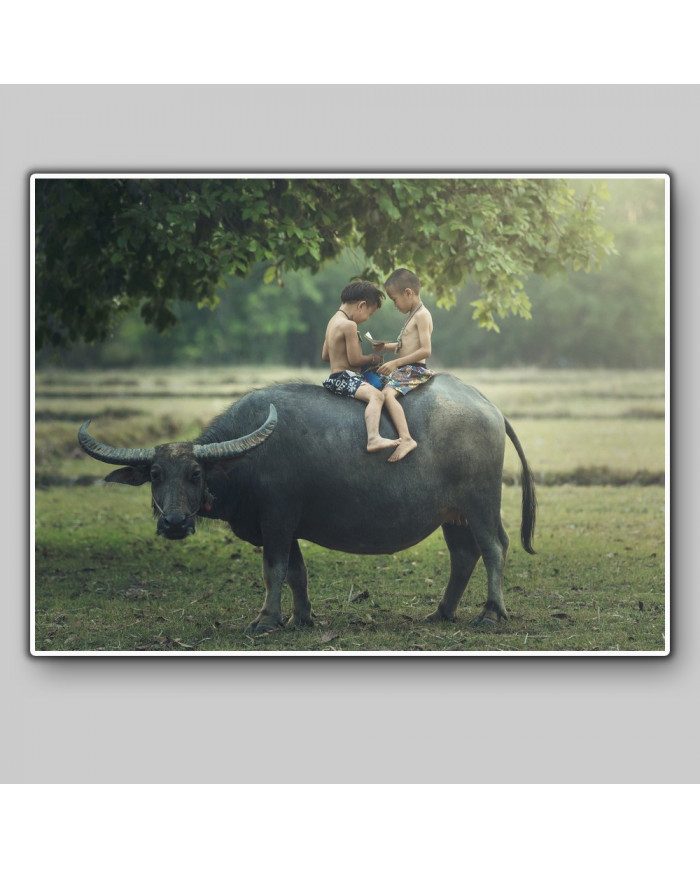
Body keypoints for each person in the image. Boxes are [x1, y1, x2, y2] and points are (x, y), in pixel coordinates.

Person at [321, 280, 400, 455]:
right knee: (378, 396)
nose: (367, 319)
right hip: (345, 378)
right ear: (361, 305)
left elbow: (325, 356)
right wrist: (372, 359)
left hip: (335, 376)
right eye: (369, 314)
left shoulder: (332, 322)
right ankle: (373, 438)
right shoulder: (350, 325)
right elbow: (355, 359)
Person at [371, 268, 435, 461]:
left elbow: (425, 350)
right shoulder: (412, 315)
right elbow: (405, 345)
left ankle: (406, 438)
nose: (395, 304)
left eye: (394, 299)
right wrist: (385, 347)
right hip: (406, 367)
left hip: (414, 369)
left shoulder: (422, 315)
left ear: (408, 292)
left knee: (387, 394)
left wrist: (395, 363)